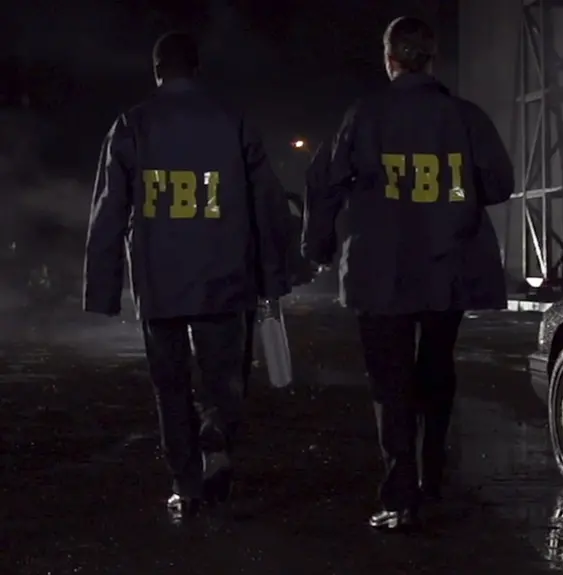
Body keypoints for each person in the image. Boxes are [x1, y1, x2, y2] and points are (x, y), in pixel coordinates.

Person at [302, 16, 514, 532]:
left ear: (390, 58)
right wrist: (452, 190)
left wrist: (319, 243)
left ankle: (400, 494)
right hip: (449, 264)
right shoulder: (465, 117)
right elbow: (500, 184)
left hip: (382, 270)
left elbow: (325, 181)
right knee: (436, 371)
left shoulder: (364, 115)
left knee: (389, 383)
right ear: (431, 58)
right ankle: (435, 477)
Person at [82, 31, 291, 521]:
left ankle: (185, 484)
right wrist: (274, 275)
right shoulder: (233, 120)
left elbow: (109, 211)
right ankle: (216, 437)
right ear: (197, 69)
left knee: (169, 383)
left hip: (160, 278)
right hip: (225, 273)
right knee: (225, 378)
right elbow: (268, 204)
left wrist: (104, 290)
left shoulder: (132, 124)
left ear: (157, 72)